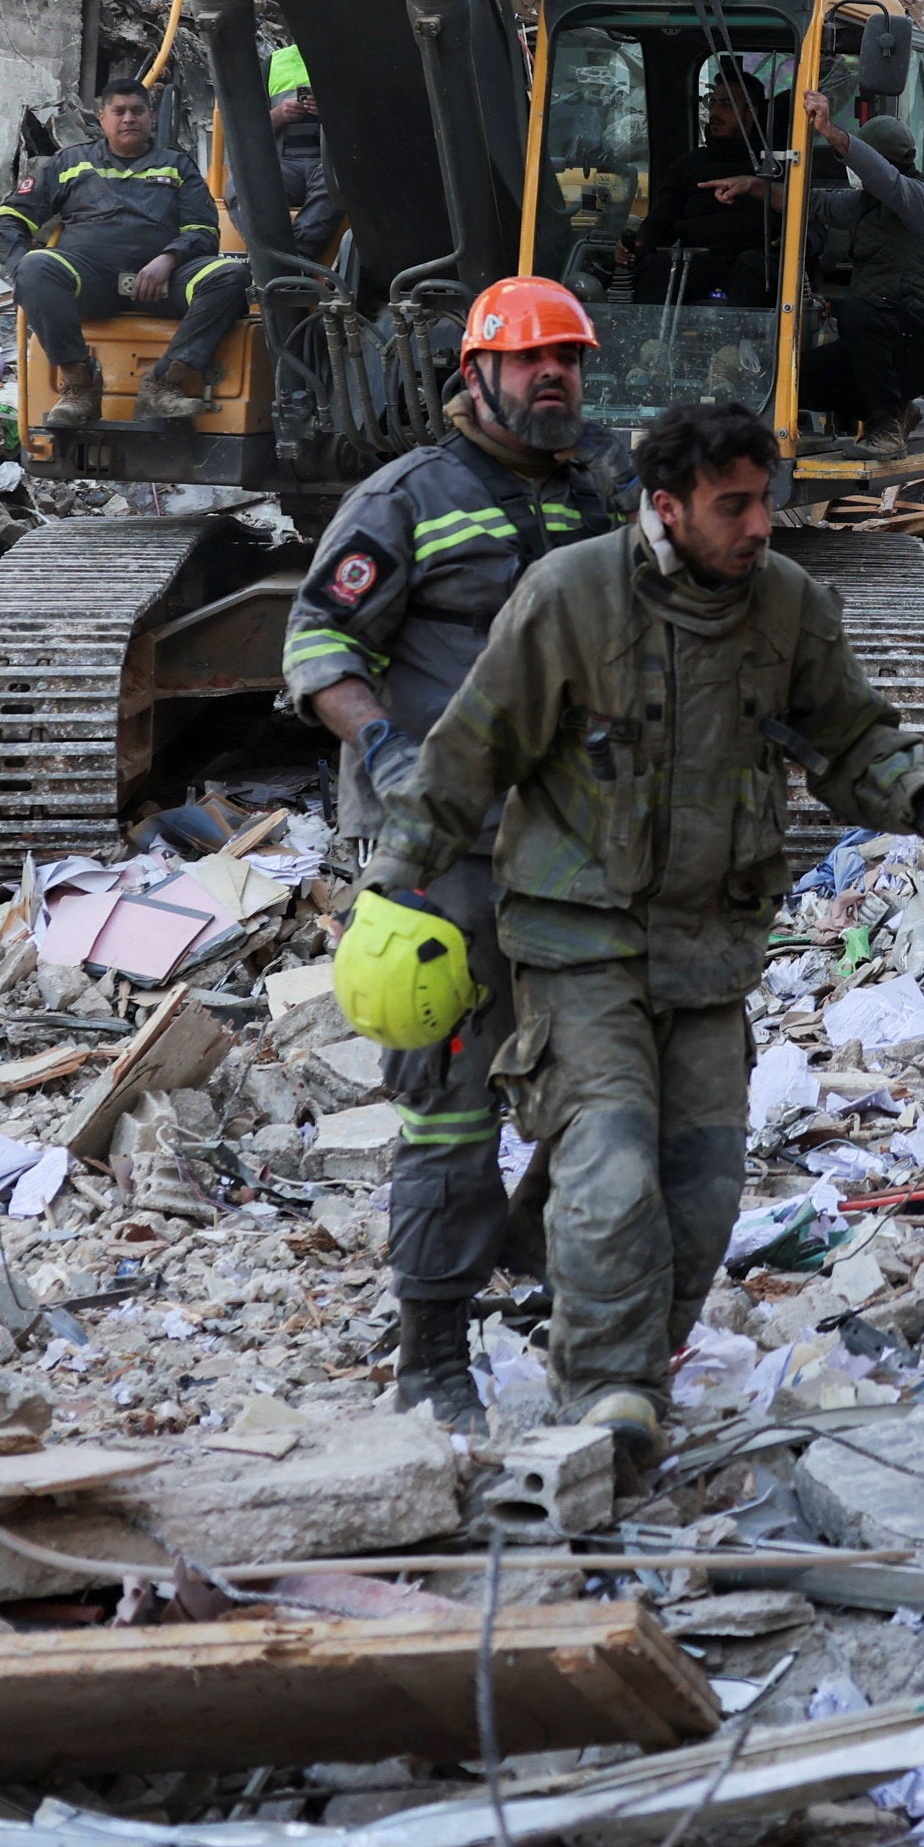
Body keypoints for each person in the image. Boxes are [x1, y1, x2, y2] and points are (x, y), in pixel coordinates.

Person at [345, 396, 924, 1479]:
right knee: (611, 1161)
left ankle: (599, 1317)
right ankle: (608, 1401)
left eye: (764, 500)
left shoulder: (788, 609)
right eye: (733, 506)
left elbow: (849, 732)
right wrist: (396, 884)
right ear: (666, 506)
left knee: (702, 1190)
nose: (760, 524)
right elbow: (469, 750)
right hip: (574, 938)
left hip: (708, 948)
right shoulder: (569, 595)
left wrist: (919, 793)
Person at [279, 276, 627, 1431]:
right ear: (473, 376)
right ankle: (432, 1348)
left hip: (575, 858)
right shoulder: (406, 497)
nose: (553, 379)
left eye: (568, 361)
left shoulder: (594, 504)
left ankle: (542, 1270)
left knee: (606, 1096)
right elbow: (320, 637)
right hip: (448, 859)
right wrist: (384, 750)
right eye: (530, 361)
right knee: (448, 1108)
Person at [0, 80, 249, 427]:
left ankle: (164, 385)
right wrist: (26, 273)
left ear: (151, 117)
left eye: (137, 111)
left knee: (230, 276)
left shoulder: (177, 166)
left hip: (164, 284)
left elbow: (203, 231)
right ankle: (80, 388)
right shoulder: (69, 163)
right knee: (37, 267)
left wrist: (167, 260)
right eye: (119, 111)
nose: (129, 119)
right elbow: (7, 220)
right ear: (102, 118)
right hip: (89, 284)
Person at [794, 98, 924, 434]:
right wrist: (753, 187)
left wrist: (835, 136)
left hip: (922, 345)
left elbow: (887, 180)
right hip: (882, 340)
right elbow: (815, 204)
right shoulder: (865, 204)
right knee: (797, 378)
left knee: (859, 309)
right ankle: (895, 409)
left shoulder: (920, 201)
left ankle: (885, 428)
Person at [632, 58, 782, 305]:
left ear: (751, 110)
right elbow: (659, 222)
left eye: (726, 104)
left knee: (756, 267)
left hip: (753, 265)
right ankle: (648, 341)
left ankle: (737, 344)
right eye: (712, 102)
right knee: (656, 266)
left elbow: (806, 219)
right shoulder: (688, 164)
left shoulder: (777, 164)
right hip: (696, 262)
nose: (714, 112)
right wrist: (637, 244)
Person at [261, 42, 349, 269]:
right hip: (285, 166)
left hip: (332, 162)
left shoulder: (355, 58)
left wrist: (331, 111)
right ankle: (262, 250)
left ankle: (294, 259)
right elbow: (248, 129)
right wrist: (278, 115)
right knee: (244, 183)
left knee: (341, 177)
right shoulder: (273, 63)